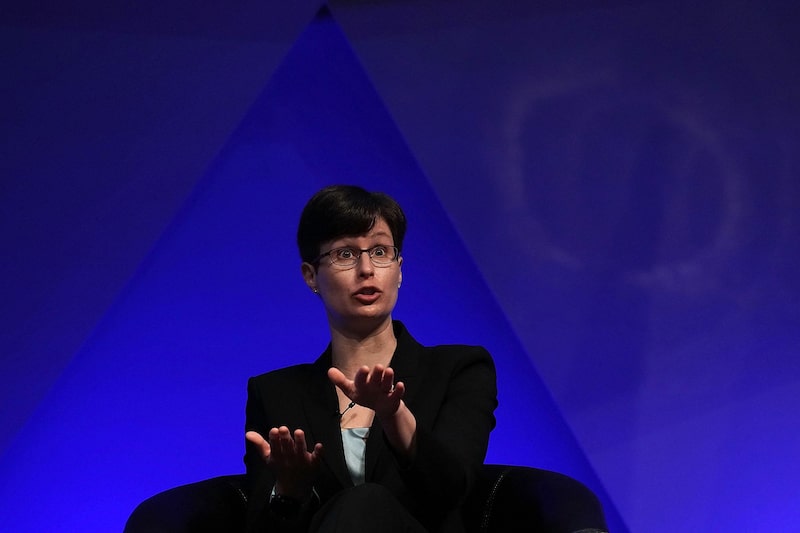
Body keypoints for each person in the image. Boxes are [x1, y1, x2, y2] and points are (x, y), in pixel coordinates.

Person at [243, 184, 497, 532]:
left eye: (380, 251)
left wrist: (394, 415)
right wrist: (290, 488)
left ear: (399, 269)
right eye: (345, 254)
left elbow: (453, 491)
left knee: (367, 502)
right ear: (311, 276)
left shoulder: (459, 370)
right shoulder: (274, 393)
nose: (366, 269)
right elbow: (259, 527)